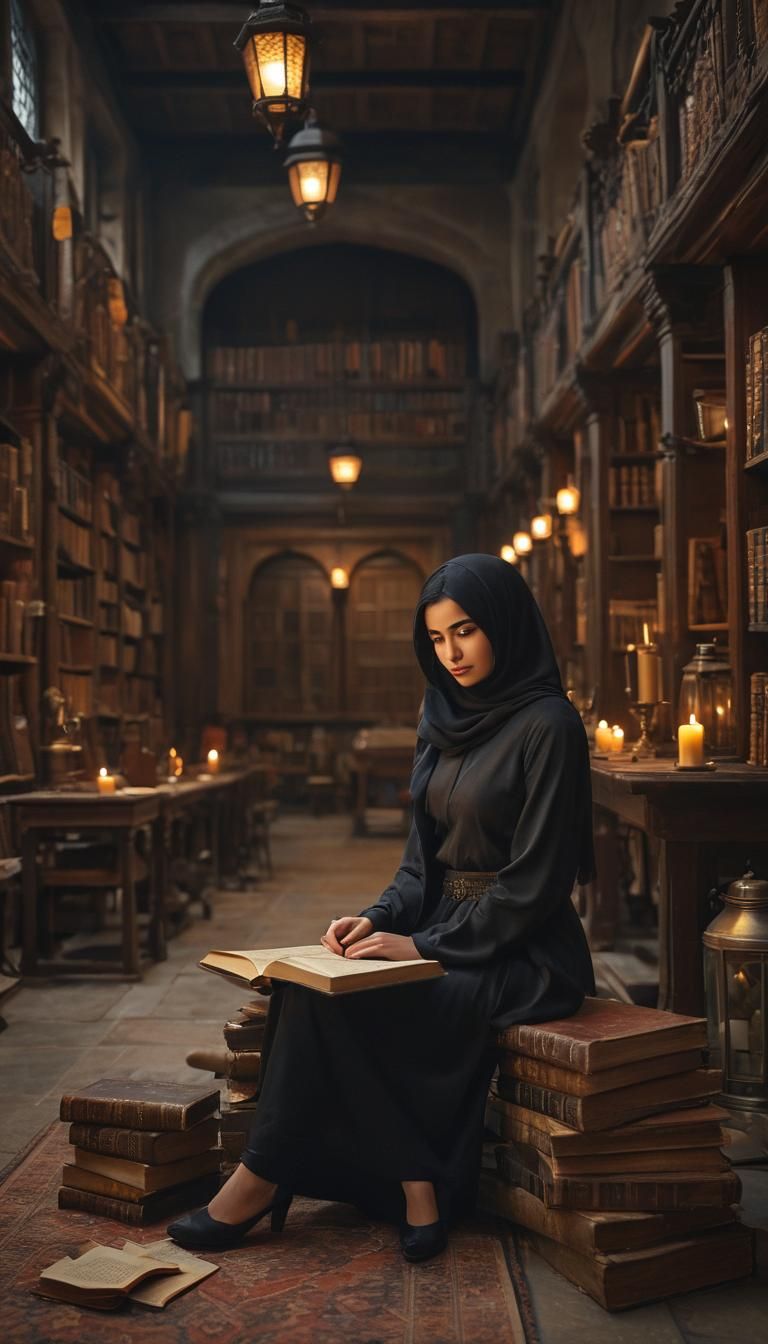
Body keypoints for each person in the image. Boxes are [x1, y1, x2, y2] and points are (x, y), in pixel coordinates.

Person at [168, 553, 595, 1262]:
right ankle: (395, 1179)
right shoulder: (441, 715)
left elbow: (537, 884)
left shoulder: (550, 725)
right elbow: (420, 864)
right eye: (435, 638)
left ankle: (276, 1178)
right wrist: (377, 918)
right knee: (310, 989)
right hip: (441, 927)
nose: (450, 653)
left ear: (506, 626)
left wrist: (426, 950)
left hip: (524, 949)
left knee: (364, 1005)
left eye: (465, 631)